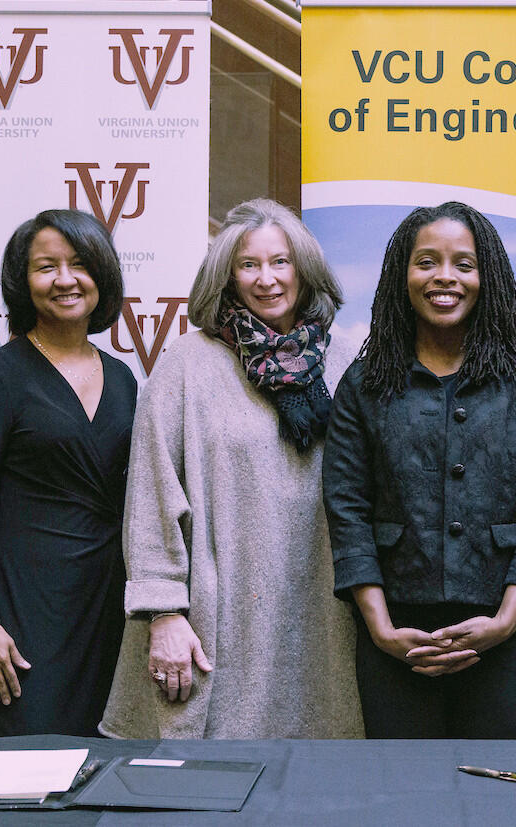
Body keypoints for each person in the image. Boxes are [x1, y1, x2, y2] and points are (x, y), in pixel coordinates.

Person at [100, 198, 363, 739]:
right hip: (220, 613)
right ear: (227, 275)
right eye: (248, 265)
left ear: (304, 269)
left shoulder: (345, 362)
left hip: (324, 612)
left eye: (280, 261)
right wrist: (163, 613)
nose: (267, 279)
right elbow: (151, 494)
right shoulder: (187, 363)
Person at [323, 201, 516, 739]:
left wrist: (505, 621)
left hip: (509, 633)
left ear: (488, 278)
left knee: (495, 784)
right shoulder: (363, 385)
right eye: (426, 262)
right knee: (404, 785)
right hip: (397, 634)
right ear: (402, 275)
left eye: (464, 264)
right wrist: (382, 629)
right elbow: (347, 509)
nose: (444, 277)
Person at [0, 209, 135, 736]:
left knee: (101, 760)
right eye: (46, 266)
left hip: (105, 602)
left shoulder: (123, 378)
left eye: (79, 264)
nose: (64, 279)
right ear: (23, 281)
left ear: (101, 274)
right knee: (26, 762)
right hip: (20, 608)